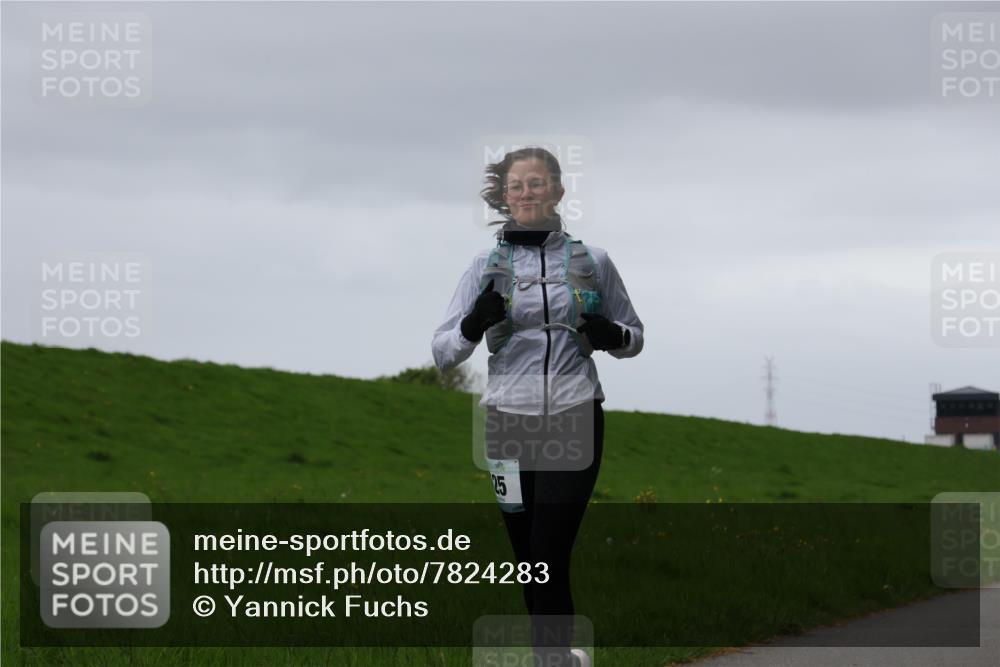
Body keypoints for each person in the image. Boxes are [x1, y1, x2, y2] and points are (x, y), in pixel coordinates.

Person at [432, 147, 644, 667]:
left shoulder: (593, 261)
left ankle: (550, 661)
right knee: (528, 558)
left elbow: (633, 338)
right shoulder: (485, 265)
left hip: (574, 413)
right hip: (507, 421)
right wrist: (472, 324)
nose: (528, 193)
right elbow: (443, 352)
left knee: (549, 551)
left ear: (557, 191)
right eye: (517, 186)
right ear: (504, 197)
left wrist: (611, 333)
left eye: (538, 183)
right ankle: (556, 657)